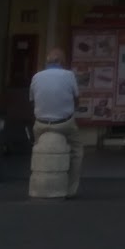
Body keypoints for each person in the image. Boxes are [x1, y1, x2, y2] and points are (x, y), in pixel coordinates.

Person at [29, 48, 82, 199]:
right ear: (62, 62)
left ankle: (37, 179)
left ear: (46, 62)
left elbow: (32, 100)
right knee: (77, 151)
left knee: (37, 145)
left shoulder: (36, 76)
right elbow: (76, 99)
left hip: (41, 124)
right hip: (64, 124)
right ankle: (70, 188)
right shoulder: (69, 75)